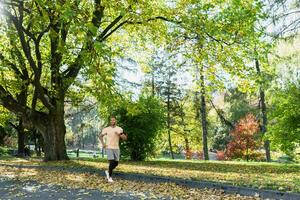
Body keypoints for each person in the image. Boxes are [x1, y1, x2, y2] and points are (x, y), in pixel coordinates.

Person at [99, 116, 127, 182]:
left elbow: (125, 138)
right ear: (110, 121)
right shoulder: (106, 129)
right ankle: (110, 177)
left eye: (113, 120)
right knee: (111, 162)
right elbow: (100, 136)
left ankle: (108, 171)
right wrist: (103, 144)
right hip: (109, 147)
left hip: (116, 148)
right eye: (111, 120)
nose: (112, 121)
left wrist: (119, 135)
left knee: (116, 163)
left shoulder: (120, 129)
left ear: (116, 121)